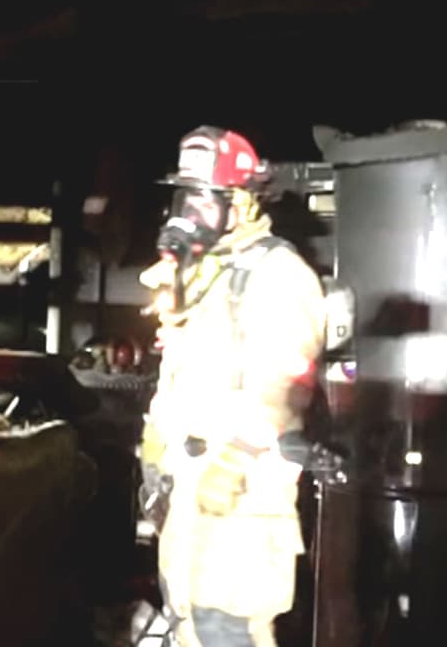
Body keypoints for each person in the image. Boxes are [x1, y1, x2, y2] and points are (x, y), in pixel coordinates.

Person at [137, 126, 327, 646]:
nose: (188, 215)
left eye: (204, 201)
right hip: (189, 492)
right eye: (184, 200)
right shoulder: (203, 276)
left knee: (228, 628)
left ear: (240, 204)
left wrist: (236, 459)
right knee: (186, 619)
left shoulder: (278, 274)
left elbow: (287, 384)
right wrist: (156, 445)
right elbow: (179, 369)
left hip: (244, 497)